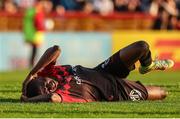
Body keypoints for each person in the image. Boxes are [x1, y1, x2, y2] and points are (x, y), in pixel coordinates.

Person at [21, 41, 174, 103]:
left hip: (103, 70)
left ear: (42, 77)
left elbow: (55, 49)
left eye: (45, 84)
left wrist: (32, 73)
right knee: (162, 93)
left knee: (142, 47)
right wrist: (28, 101)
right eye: (45, 90)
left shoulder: (51, 72)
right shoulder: (63, 93)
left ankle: (147, 66)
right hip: (114, 91)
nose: (49, 86)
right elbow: (53, 98)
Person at [23, 0, 45, 67]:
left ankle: (31, 63)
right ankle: (32, 64)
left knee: (33, 49)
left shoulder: (29, 11)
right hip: (35, 33)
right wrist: (43, 28)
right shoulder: (37, 11)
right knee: (35, 49)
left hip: (30, 33)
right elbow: (38, 23)